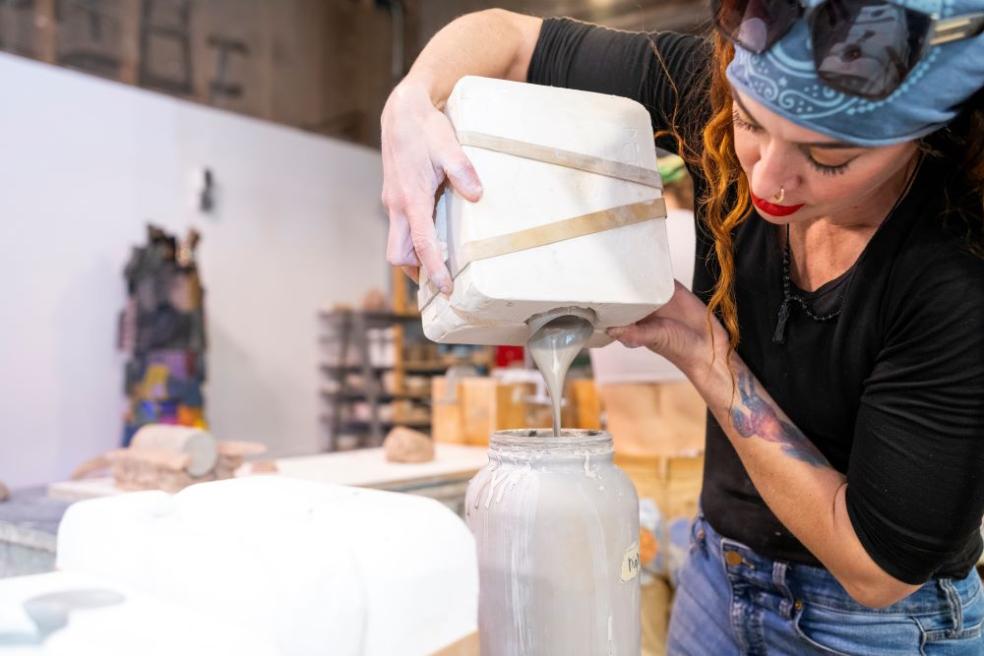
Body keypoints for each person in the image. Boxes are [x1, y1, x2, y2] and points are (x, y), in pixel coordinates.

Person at [380, 3, 984, 653]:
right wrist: (411, 101)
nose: (767, 177)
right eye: (751, 122)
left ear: (919, 134)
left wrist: (706, 358)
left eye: (828, 156)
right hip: (716, 574)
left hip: (877, 627)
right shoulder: (708, 96)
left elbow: (877, 571)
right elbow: (507, 37)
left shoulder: (958, 272)